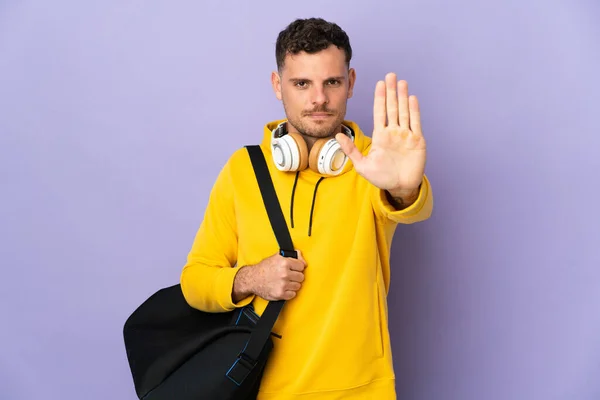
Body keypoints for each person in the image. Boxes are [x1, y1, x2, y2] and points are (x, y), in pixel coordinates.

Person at [180, 17, 433, 400]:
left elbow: (410, 207)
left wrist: (404, 187)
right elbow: (194, 282)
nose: (319, 99)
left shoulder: (373, 163)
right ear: (277, 84)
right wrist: (251, 278)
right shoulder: (243, 169)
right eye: (302, 84)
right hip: (263, 390)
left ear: (349, 82)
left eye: (331, 82)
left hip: (362, 390)